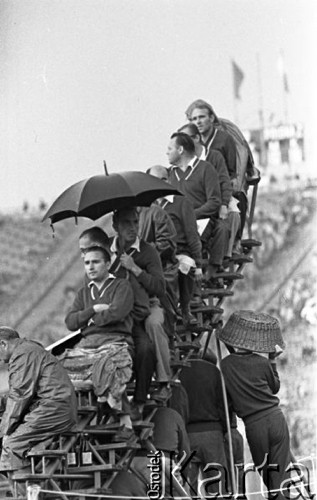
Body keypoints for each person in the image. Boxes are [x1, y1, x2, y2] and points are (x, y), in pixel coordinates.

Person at [78, 226, 156, 420]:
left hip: (127, 325)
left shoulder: (123, 266)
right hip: (100, 331)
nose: (84, 258)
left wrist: (121, 315)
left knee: (145, 348)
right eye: (82, 254)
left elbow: (142, 307)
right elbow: (81, 309)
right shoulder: (89, 272)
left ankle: (138, 400)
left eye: (85, 250)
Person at [218, 310, 294, 500]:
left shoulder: (225, 366)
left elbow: (235, 368)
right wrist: (272, 359)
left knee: (266, 471)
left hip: (254, 425)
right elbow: (275, 387)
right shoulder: (262, 362)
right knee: (281, 471)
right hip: (275, 418)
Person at [64, 245, 135, 441]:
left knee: (107, 364)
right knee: (61, 368)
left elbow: (118, 313)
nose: (91, 267)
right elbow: (70, 322)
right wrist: (93, 309)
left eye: (95, 262)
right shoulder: (84, 293)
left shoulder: (121, 286)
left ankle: (125, 422)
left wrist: (90, 321)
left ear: (107, 263)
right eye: (87, 263)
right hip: (88, 344)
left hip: (117, 340)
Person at [0, 326, 77, 489]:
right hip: (48, 406)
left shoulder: (23, 354)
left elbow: (19, 395)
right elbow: (21, 393)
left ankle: (26, 495)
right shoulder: (28, 350)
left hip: (53, 408)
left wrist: (5, 431)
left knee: (12, 445)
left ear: (3, 344)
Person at [111, 207, 172, 405]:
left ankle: (163, 382)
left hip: (148, 305)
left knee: (154, 324)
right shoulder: (108, 252)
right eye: (126, 223)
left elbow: (160, 287)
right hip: (119, 309)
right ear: (115, 226)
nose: (133, 228)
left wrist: (135, 269)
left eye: (136, 222)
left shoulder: (147, 251)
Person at [167, 132, 229, 280]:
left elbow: (214, 201)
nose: (167, 152)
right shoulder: (170, 175)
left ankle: (202, 277)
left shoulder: (205, 169)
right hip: (177, 222)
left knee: (190, 242)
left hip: (202, 221)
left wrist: (190, 216)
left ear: (180, 150)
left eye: (170, 148)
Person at [148, 164, 202, 324]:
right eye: (154, 180)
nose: (159, 183)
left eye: (163, 179)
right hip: (155, 253)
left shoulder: (180, 202)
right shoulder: (147, 206)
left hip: (179, 252)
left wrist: (198, 264)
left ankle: (185, 309)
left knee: (186, 265)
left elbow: (192, 234)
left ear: (169, 179)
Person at [179, 123, 240, 259]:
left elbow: (224, 182)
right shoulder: (183, 161)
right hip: (196, 204)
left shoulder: (214, 157)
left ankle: (226, 253)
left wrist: (224, 204)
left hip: (214, 200)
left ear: (196, 138)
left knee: (231, 215)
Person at [179, 348, 228, 497]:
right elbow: (223, 405)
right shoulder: (213, 371)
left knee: (189, 487)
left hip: (188, 435)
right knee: (217, 485)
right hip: (212, 434)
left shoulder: (179, 371)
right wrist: (225, 430)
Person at [138, 201, 179, 336]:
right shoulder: (123, 215)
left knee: (164, 305)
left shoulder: (156, 213)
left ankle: (170, 342)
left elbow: (167, 244)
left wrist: (145, 256)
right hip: (138, 271)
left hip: (163, 268)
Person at [185, 99, 237, 180]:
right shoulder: (192, 142)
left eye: (201, 117)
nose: (198, 122)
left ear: (211, 118)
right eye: (194, 119)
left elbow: (233, 172)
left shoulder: (225, 139)